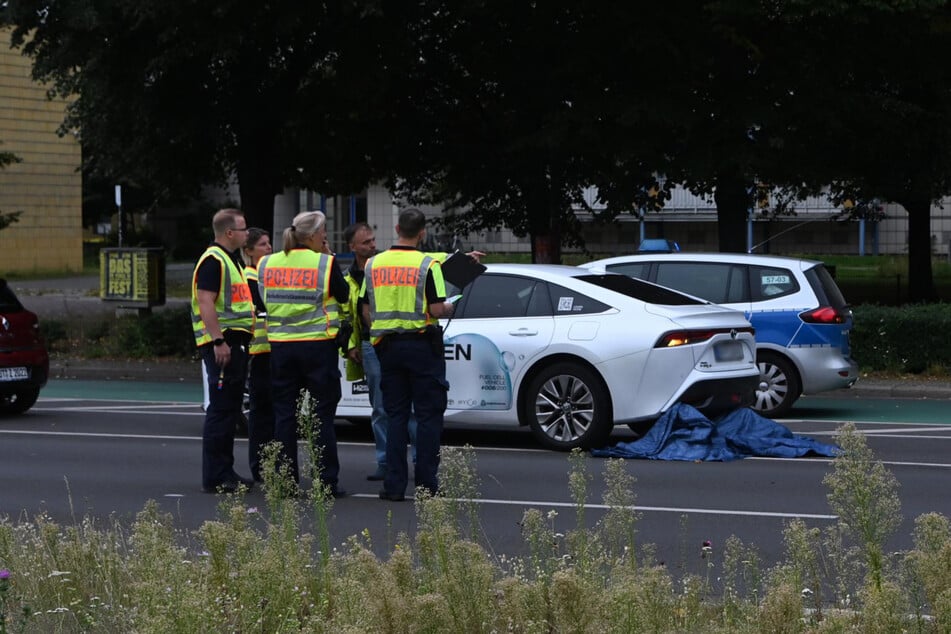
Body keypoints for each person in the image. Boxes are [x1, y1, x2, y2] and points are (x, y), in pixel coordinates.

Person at [361, 208, 455, 501]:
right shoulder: (428, 264)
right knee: (427, 417)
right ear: (422, 232)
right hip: (422, 347)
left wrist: (377, 337)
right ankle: (426, 485)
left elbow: (364, 307)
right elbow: (438, 309)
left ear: (397, 227)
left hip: (388, 348)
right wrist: (451, 306)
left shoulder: (373, 264)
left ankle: (393, 486)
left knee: (395, 416)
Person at [257, 210, 350, 497]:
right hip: (317, 346)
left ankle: (285, 482)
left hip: (282, 347)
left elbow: (264, 297)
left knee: (284, 415)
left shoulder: (267, 262)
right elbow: (343, 294)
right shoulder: (325, 262)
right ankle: (325, 483)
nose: (325, 237)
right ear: (312, 236)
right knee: (322, 416)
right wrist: (328, 255)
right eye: (323, 232)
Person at [342, 222, 417, 481]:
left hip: (393, 341)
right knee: (381, 407)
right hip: (369, 345)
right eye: (366, 243)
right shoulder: (348, 278)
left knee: (411, 407)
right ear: (352, 247)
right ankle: (385, 462)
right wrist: (351, 345)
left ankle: (418, 460)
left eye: (373, 240)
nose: (373, 246)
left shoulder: (384, 265)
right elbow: (347, 314)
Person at [191, 208, 255, 493]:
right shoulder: (214, 260)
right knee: (221, 411)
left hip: (232, 343)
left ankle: (225, 470)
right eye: (243, 229)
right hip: (223, 345)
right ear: (230, 233)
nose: (247, 233)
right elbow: (205, 301)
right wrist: (218, 340)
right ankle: (216, 476)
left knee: (229, 411)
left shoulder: (230, 260)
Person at [242, 227, 274, 483]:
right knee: (262, 415)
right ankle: (260, 468)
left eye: (269, 243)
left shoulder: (265, 276)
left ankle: (269, 465)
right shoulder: (250, 278)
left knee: (272, 415)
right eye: (262, 245)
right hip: (260, 352)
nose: (269, 248)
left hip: (273, 351)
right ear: (249, 251)